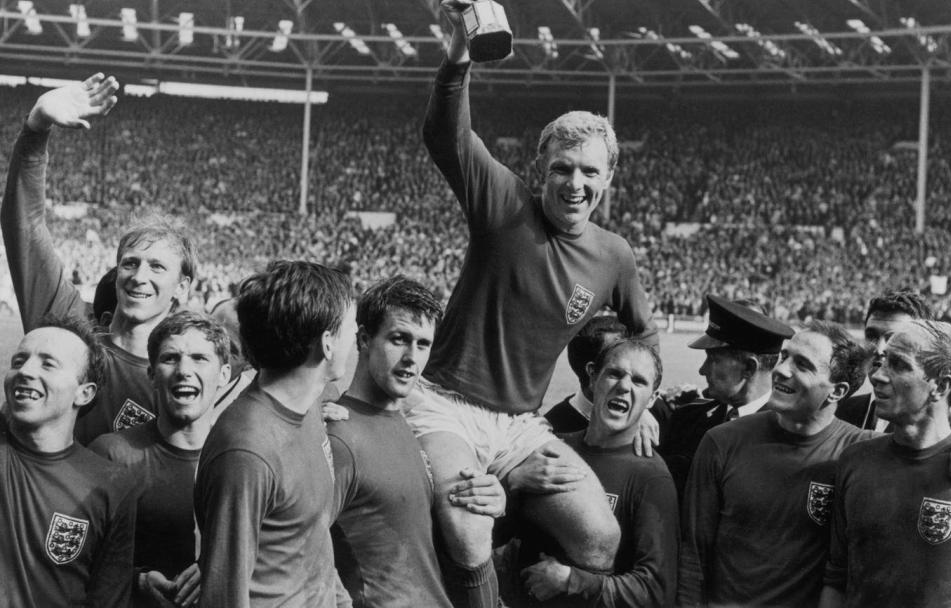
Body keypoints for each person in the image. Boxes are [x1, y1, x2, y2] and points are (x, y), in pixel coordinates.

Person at [408, 0, 658, 608]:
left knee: (598, 535)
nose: (576, 184)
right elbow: (446, 136)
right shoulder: (503, 203)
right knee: (466, 533)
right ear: (538, 171)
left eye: (590, 173)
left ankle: (511, 556)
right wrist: (458, 50)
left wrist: (646, 398)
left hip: (520, 427)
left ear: (607, 181)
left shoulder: (614, 256)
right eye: (562, 169)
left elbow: (645, 333)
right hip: (446, 407)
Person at [1, 73, 199, 445]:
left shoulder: (185, 377)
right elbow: (23, 227)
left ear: (182, 287)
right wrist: (36, 129)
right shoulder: (72, 329)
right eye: (131, 262)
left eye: (157, 266)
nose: (139, 276)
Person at [329, 275, 506, 608]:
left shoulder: (413, 423)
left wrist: (492, 500)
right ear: (364, 338)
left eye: (423, 344)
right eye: (399, 339)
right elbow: (299, 543)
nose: (413, 356)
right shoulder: (339, 435)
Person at [194, 259, 355, 608]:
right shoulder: (247, 452)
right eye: (351, 329)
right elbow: (224, 595)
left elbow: (309, 538)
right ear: (327, 343)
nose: (356, 338)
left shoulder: (309, 408)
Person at [678, 321, 871, 608]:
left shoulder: (860, 452)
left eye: (802, 365)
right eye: (785, 357)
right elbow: (692, 555)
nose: (781, 370)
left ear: (837, 391)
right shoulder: (722, 442)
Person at [510, 337, 679, 608]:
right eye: (614, 373)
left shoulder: (651, 478)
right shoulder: (553, 446)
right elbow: (502, 533)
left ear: (652, 399)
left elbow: (656, 589)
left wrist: (572, 580)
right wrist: (512, 483)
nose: (624, 386)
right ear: (592, 379)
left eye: (639, 381)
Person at [90, 311, 232, 608]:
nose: (184, 370)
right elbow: (75, 559)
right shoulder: (113, 455)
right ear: (152, 374)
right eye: (170, 358)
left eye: (200, 358)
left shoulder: (242, 458)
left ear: (224, 374)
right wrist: (136, 580)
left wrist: (219, 567)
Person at [0, 315, 138, 608]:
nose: (25, 371)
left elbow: (107, 598)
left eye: (48, 364)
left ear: (84, 392)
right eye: (18, 361)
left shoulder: (111, 486)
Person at [821, 320, 951, 608]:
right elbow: (836, 576)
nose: (878, 375)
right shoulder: (855, 460)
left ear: (941, 385)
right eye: (882, 362)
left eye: (898, 365)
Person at [659, 294, 793, 501]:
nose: (702, 370)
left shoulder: (790, 432)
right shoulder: (688, 419)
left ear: (749, 368)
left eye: (713, 360)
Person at [835, 290, 930, 430]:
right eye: (872, 336)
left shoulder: (949, 437)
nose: (879, 349)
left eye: (894, 338)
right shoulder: (842, 411)